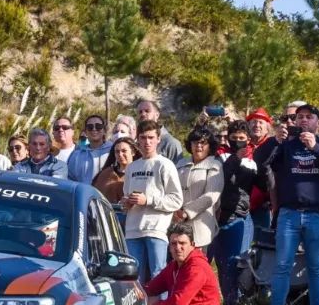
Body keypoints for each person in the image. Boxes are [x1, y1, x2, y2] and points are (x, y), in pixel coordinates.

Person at [259, 104, 319, 305]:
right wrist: (274, 140)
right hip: (289, 214)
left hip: (317, 215)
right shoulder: (286, 146)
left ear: (317, 122)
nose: (304, 121)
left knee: (316, 267)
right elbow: (260, 160)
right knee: (282, 266)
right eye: (300, 117)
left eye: (309, 117)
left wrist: (315, 147)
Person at [121, 120, 185, 282]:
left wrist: (148, 200)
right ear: (137, 140)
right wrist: (127, 203)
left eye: (151, 137)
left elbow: (176, 200)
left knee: (158, 275)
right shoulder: (131, 167)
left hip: (156, 229)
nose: (147, 142)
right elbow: (126, 200)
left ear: (158, 139)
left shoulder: (165, 165)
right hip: (133, 230)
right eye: (143, 138)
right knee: (133, 277)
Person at [214, 122, 256, 305]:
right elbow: (223, 177)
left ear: (248, 139)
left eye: (242, 138)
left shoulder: (252, 160)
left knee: (238, 262)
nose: (238, 142)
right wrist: (234, 159)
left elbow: (250, 185)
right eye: (234, 137)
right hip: (219, 216)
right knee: (223, 266)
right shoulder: (220, 156)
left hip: (240, 216)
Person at [176, 126, 224, 251]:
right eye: (195, 142)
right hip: (176, 224)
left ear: (210, 146)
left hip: (200, 228)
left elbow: (211, 197)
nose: (198, 146)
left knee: (196, 267)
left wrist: (187, 211)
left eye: (203, 143)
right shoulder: (180, 164)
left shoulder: (215, 165)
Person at [94, 138, 139, 206]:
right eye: (117, 151)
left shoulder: (140, 173)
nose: (120, 154)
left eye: (124, 151)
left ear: (133, 152)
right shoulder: (105, 174)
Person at [68, 114, 111, 185]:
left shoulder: (113, 151)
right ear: (85, 132)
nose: (94, 129)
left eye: (98, 126)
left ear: (104, 131)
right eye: (90, 127)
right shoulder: (76, 155)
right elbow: (70, 179)